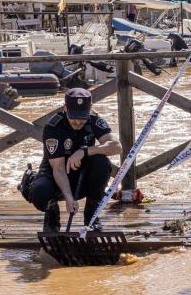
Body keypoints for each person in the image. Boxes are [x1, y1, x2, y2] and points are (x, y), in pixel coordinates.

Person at [27, 88, 122, 232]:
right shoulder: (53, 127)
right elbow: (58, 168)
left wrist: (85, 151)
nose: (78, 121)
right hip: (54, 175)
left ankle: (91, 214)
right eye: (73, 116)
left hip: (82, 176)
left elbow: (116, 147)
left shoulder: (95, 120)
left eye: (82, 116)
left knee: (101, 162)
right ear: (65, 108)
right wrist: (69, 198)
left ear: (90, 108)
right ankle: (52, 215)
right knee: (39, 191)